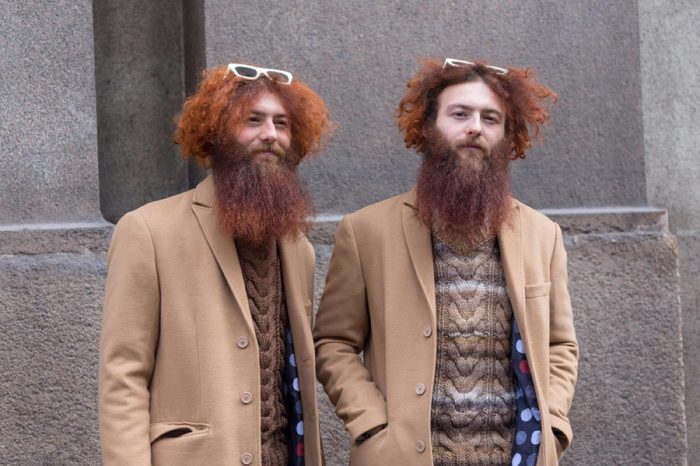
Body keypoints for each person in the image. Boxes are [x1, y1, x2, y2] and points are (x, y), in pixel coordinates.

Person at [313, 58, 578, 465]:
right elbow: (333, 342)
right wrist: (370, 422)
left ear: (508, 136)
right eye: (460, 114)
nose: (475, 127)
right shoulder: (365, 231)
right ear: (428, 126)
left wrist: (554, 423)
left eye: (491, 118)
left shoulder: (543, 235)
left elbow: (560, 345)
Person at [99, 62, 332, 466]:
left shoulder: (299, 250)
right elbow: (123, 378)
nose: (270, 135)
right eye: (252, 120)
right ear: (217, 132)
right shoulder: (148, 231)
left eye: (282, 123)